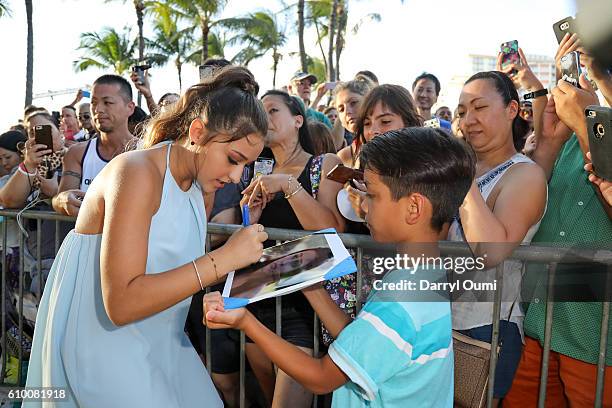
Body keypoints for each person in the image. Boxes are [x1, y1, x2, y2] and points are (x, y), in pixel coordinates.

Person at [24, 66, 270, 407]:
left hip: (161, 341)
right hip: (104, 346)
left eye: (246, 165)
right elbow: (121, 304)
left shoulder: (197, 188)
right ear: (197, 132)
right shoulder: (136, 172)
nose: (236, 175)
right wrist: (222, 259)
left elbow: (180, 272)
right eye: (233, 159)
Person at [204, 127, 477, 408]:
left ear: (414, 208)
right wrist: (313, 287)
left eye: (372, 195)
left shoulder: (401, 303)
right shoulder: (422, 276)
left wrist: (245, 322)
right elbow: (357, 339)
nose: (363, 207)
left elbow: (322, 377)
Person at [505, 67, 612, 406]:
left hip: (596, 334)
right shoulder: (565, 133)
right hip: (539, 322)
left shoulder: (586, 120)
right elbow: (530, 205)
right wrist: (549, 142)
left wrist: (588, 124)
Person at [238, 90, 345, 407]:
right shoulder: (259, 168)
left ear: (298, 120)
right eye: (260, 112)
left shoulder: (323, 164)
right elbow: (250, 237)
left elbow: (333, 229)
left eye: (272, 110)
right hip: (260, 297)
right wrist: (251, 218)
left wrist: (289, 185)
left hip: (307, 305)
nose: (264, 118)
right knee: (271, 397)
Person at [451, 71, 548, 403]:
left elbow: (491, 251)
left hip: (484, 328)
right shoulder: (457, 171)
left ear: (512, 110)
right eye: (462, 111)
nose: (469, 120)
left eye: (479, 107)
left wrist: (461, 176)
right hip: (436, 319)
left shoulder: (524, 175)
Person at [52, 74, 137, 217]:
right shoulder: (77, 153)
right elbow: (60, 198)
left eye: (107, 102)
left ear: (130, 107)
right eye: (94, 102)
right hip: (88, 238)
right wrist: (63, 201)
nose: (98, 109)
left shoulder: (147, 151)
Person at [334, 76, 376, 156]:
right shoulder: (344, 157)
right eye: (341, 109)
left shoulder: (392, 143)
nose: (347, 112)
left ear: (369, 101)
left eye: (353, 103)